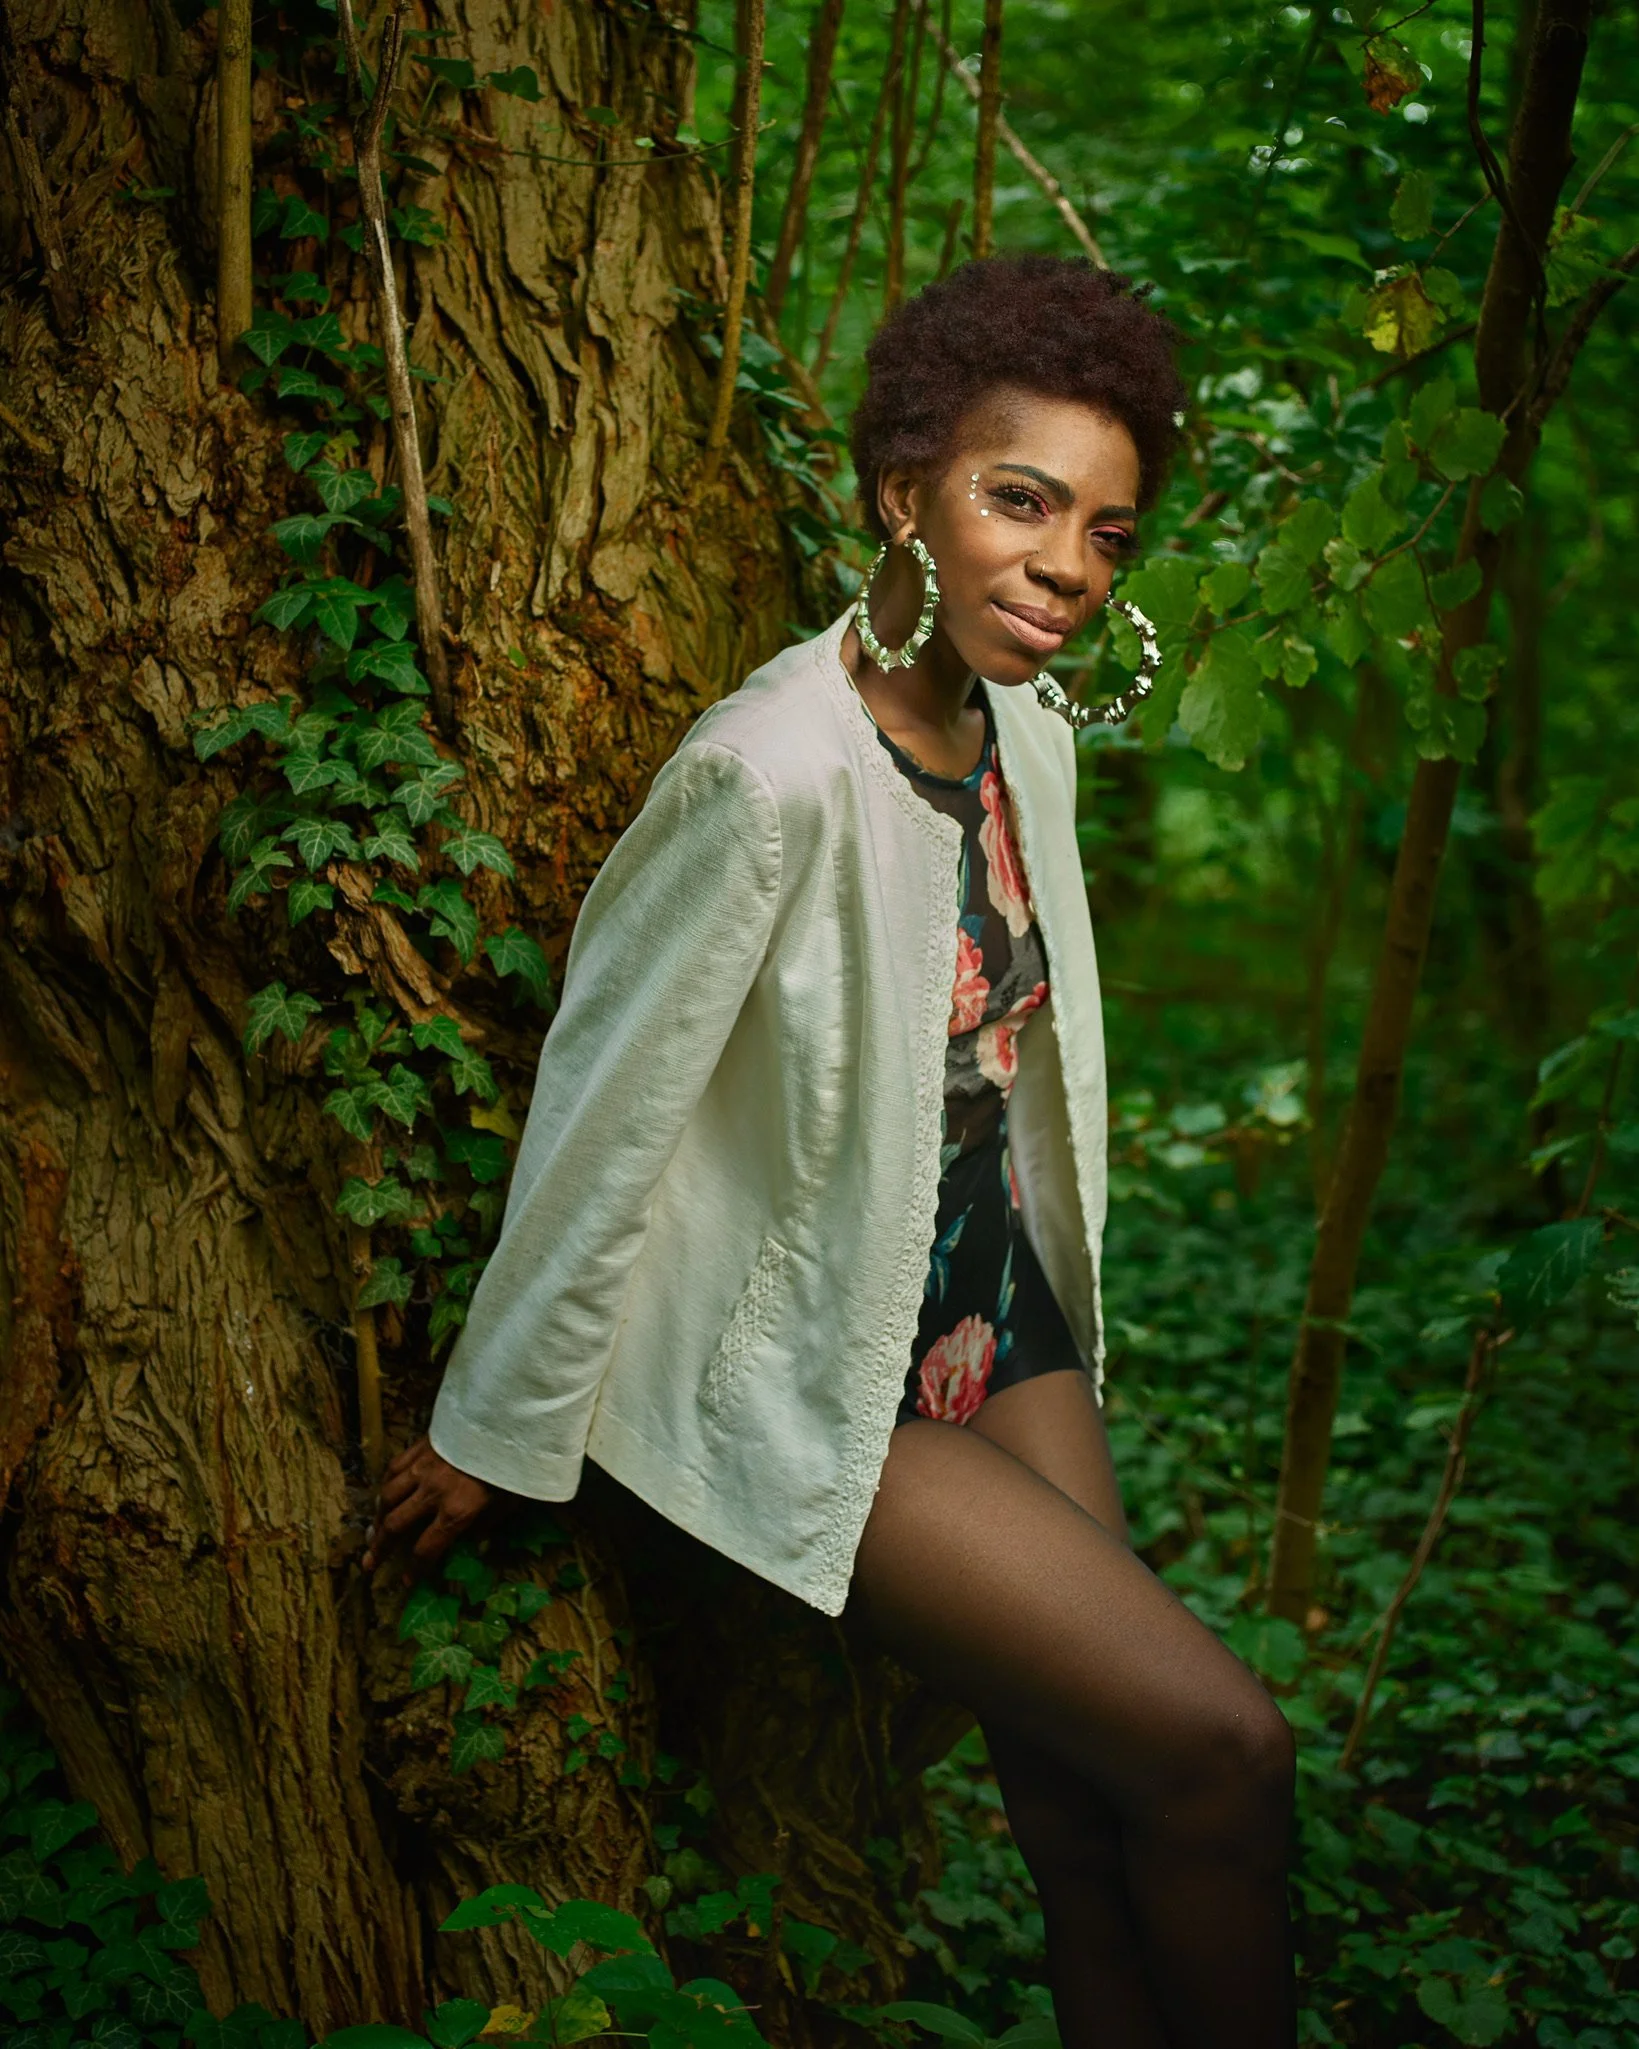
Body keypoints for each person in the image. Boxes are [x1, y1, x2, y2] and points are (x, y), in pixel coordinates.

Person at [365, 254, 1297, 2048]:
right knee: (1218, 1749)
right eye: (1018, 502)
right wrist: (495, 1421)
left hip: (977, 1290)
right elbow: (610, 1099)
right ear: (905, 494)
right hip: (817, 1338)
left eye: (1106, 532)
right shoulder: (767, 772)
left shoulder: (1025, 729)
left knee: (1080, 1804)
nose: (1065, 567)